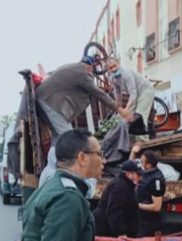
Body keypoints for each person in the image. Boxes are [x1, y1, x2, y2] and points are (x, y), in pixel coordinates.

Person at [37, 56, 131, 186]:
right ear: (90, 67)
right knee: (68, 138)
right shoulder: (82, 73)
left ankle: (53, 169)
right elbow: (99, 93)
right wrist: (120, 109)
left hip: (44, 98)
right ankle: (70, 174)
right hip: (50, 101)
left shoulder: (72, 67)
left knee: (57, 139)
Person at [106, 57, 155, 136]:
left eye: (114, 66)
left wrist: (126, 109)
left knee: (140, 115)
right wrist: (119, 108)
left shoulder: (126, 74)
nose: (113, 69)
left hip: (145, 90)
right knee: (124, 116)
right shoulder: (112, 78)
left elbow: (133, 93)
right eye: (110, 68)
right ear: (108, 69)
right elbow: (118, 94)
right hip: (135, 93)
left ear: (118, 63)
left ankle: (143, 141)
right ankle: (129, 138)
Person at [93, 160, 140, 237]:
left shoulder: (126, 185)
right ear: (129, 174)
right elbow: (114, 210)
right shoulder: (120, 187)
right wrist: (121, 233)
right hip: (106, 231)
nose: (140, 177)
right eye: (138, 174)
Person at [136, 149, 165, 237]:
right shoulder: (146, 173)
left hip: (150, 223)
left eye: (142, 162)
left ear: (148, 165)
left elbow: (157, 207)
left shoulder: (156, 180)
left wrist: (136, 205)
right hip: (142, 219)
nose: (140, 164)